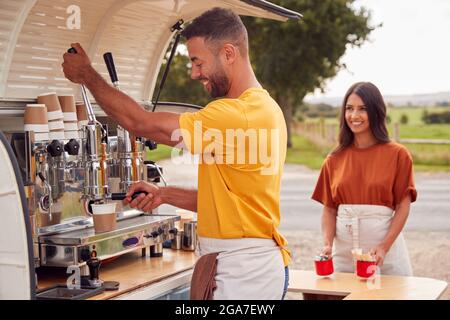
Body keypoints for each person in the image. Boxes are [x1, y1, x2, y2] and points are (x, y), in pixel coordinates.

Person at [62, 8, 290, 300]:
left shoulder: (235, 114)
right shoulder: (266, 108)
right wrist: (164, 195)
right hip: (250, 265)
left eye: (198, 61)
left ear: (228, 53)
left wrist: (87, 76)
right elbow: (231, 201)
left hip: (244, 273)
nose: (194, 73)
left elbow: (140, 123)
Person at [312, 82, 417, 277]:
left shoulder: (398, 155)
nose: (354, 116)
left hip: (385, 256)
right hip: (343, 256)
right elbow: (329, 209)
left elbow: (403, 206)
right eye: (349, 109)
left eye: (363, 109)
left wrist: (384, 247)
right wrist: (327, 244)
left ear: (376, 112)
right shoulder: (333, 159)